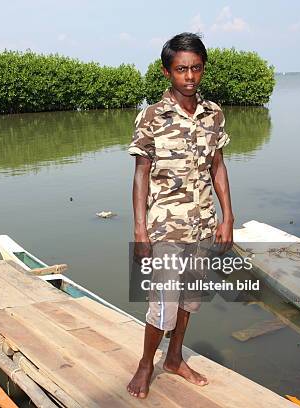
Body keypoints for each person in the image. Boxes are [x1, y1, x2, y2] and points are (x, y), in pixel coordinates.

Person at [126, 32, 234, 399]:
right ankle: (145, 365)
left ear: (203, 69)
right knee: (163, 306)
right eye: (181, 69)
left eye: (196, 69)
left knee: (190, 299)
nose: (189, 76)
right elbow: (141, 173)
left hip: (202, 223)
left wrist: (227, 217)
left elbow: (218, 167)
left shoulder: (214, 113)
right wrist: (139, 230)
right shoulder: (152, 116)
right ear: (166, 72)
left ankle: (175, 358)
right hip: (164, 227)